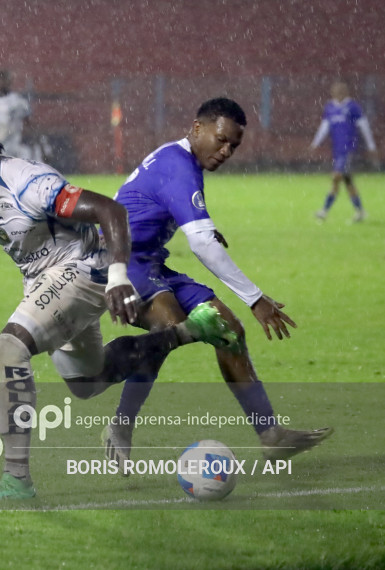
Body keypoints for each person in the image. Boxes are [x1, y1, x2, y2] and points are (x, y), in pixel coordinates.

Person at [0, 110, 239, 501]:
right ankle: (189, 330)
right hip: (48, 281)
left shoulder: (29, 184)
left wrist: (119, 276)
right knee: (88, 382)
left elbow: (111, 210)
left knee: (9, 348)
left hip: (84, 270)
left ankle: (16, 480)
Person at [102, 97, 333, 470]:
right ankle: (116, 412)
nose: (226, 151)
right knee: (171, 327)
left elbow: (177, 216)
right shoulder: (179, 167)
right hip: (117, 262)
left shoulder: (179, 159)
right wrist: (255, 298)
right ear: (197, 128)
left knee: (228, 330)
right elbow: (201, 246)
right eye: (222, 140)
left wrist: (206, 230)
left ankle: (270, 435)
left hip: (150, 262)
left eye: (234, 146)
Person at [310, 81, 378, 223]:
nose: (339, 93)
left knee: (336, 177)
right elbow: (324, 127)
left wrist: (371, 145)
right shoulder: (330, 108)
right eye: (336, 91)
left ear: (346, 92)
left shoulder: (353, 107)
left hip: (349, 149)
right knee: (348, 183)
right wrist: (315, 143)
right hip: (337, 150)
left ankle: (324, 211)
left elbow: (364, 126)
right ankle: (359, 211)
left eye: (341, 91)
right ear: (332, 93)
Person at [0, 69, 31, 159]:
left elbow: (27, 122)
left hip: (12, 146)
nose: (2, 83)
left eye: (5, 79)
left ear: (10, 81)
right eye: (0, 79)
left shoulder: (18, 100)